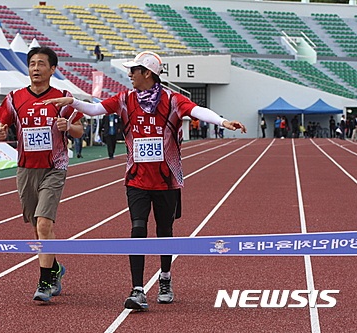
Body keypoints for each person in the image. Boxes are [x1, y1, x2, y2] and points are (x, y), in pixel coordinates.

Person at [43, 51, 246, 310]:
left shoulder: (172, 99)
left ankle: (165, 278)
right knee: (138, 229)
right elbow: (95, 109)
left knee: (165, 232)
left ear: (147, 73)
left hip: (166, 179)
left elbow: (197, 110)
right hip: (136, 178)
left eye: (133, 70)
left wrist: (222, 121)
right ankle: (137, 289)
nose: (129, 75)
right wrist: (73, 101)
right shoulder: (125, 99)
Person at [0, 46, 83, 303]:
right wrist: (0, 133)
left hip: (54, 167)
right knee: (36, 227)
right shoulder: (14, 98)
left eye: (41, 64)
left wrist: (68, 126)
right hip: (26, 168)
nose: (35, 68)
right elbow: (2, 126)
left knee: (45, 224)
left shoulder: (62, 98)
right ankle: (54, 268)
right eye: (32, 63)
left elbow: (78, 130)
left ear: (52, 69)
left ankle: (44, 282)